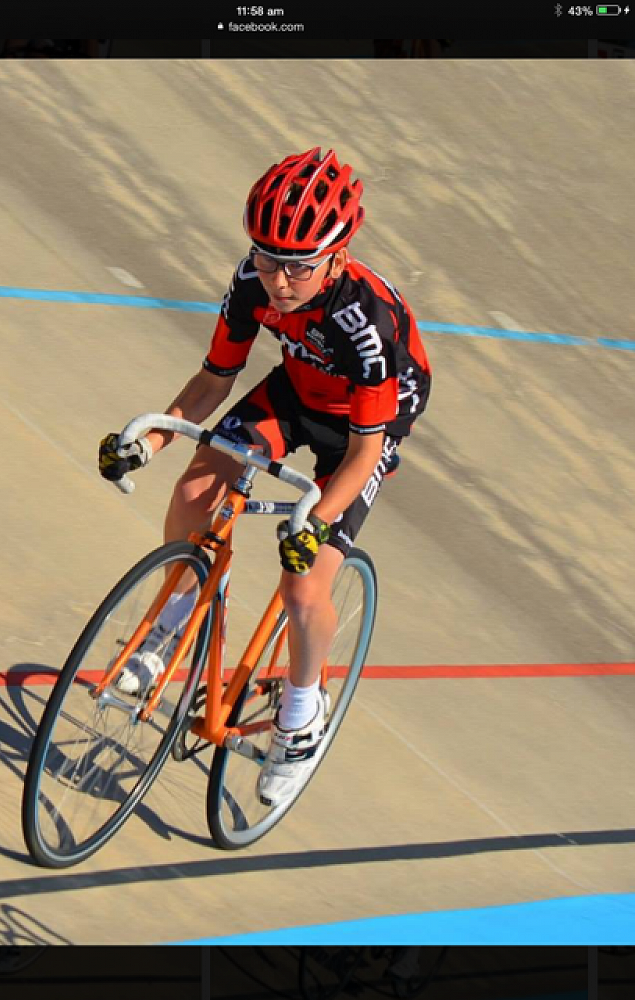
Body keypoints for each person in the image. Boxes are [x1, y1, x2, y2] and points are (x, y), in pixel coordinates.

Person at [98, 147, 432, 807]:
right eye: (266, 257)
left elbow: (365, 452)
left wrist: (314, 522)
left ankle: (301, 717)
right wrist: (151, 441)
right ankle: (172, 619)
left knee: (304, 582)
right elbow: (213, 381)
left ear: (337, 259)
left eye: (298, 266)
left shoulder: (367, 325)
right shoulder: (254, 280)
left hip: (364, 430)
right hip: (297, 394)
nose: (279, 280)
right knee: (197, 489)